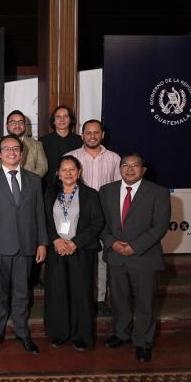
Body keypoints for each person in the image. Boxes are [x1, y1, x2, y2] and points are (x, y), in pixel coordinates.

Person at [0, 135, 47, 355]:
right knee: (0, 292)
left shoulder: (34, 180)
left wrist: (42, 243)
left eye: (16, 148)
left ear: (22, 153)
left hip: (26, 246)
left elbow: (39, 214)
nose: (11, 152)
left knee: (22, 293)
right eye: (6, 149)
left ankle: (22, 332)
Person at [99, 154, 170, 363]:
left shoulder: (158, 192)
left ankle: (143, 342)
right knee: (119, 299)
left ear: (143, 169)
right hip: (115, 255)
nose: (129, 169)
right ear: (120, 168)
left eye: (135, 165)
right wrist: (112, 242)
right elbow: (100, 222)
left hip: (145, 256)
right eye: (125, 165)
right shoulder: (106, 191)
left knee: (145, 302)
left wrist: (135, 247)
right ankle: (121, 333)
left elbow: (159, 226)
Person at [44, 155, 105, 352]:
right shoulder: (50, 193)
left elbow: (97, 222)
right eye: (64, 170)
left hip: (81, 250)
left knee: (81, 293)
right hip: (56, 250)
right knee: (57, 292)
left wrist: (75, 243)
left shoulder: (91, 194)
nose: (68, 173)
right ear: (58, 173)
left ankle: (81, 336)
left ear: (79, 172)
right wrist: (55, 240)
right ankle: (59, 333)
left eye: (72, 169)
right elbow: (43, 220)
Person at [66, 119, 122, 315]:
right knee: (77, 258)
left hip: (105, 218)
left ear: (102, 135)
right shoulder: (71, 157)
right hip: (76, 218)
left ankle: (98, 300)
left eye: (96, 132)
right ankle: (76, 297)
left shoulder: (114, 158)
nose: (92, 136)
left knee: (100, 260)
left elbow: (118, 189)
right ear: (82, 135)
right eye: (88, 133)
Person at [0, 110, 47, 178]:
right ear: (6, 125)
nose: (17, 125)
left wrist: (29, 180)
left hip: (31, 182)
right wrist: (11, 180)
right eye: (13, 122)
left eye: (21, 122)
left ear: (25, 125)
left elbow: (43, 167)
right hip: (4, 183)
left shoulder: (37, 145)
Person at [39, 106, 83, 191]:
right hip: (48, 188)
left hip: (75, 187)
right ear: (53, 121)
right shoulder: (43, 142)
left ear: (70, 120)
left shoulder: (80, 141)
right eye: (58, 117)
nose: (62, 120)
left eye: (65, 116)